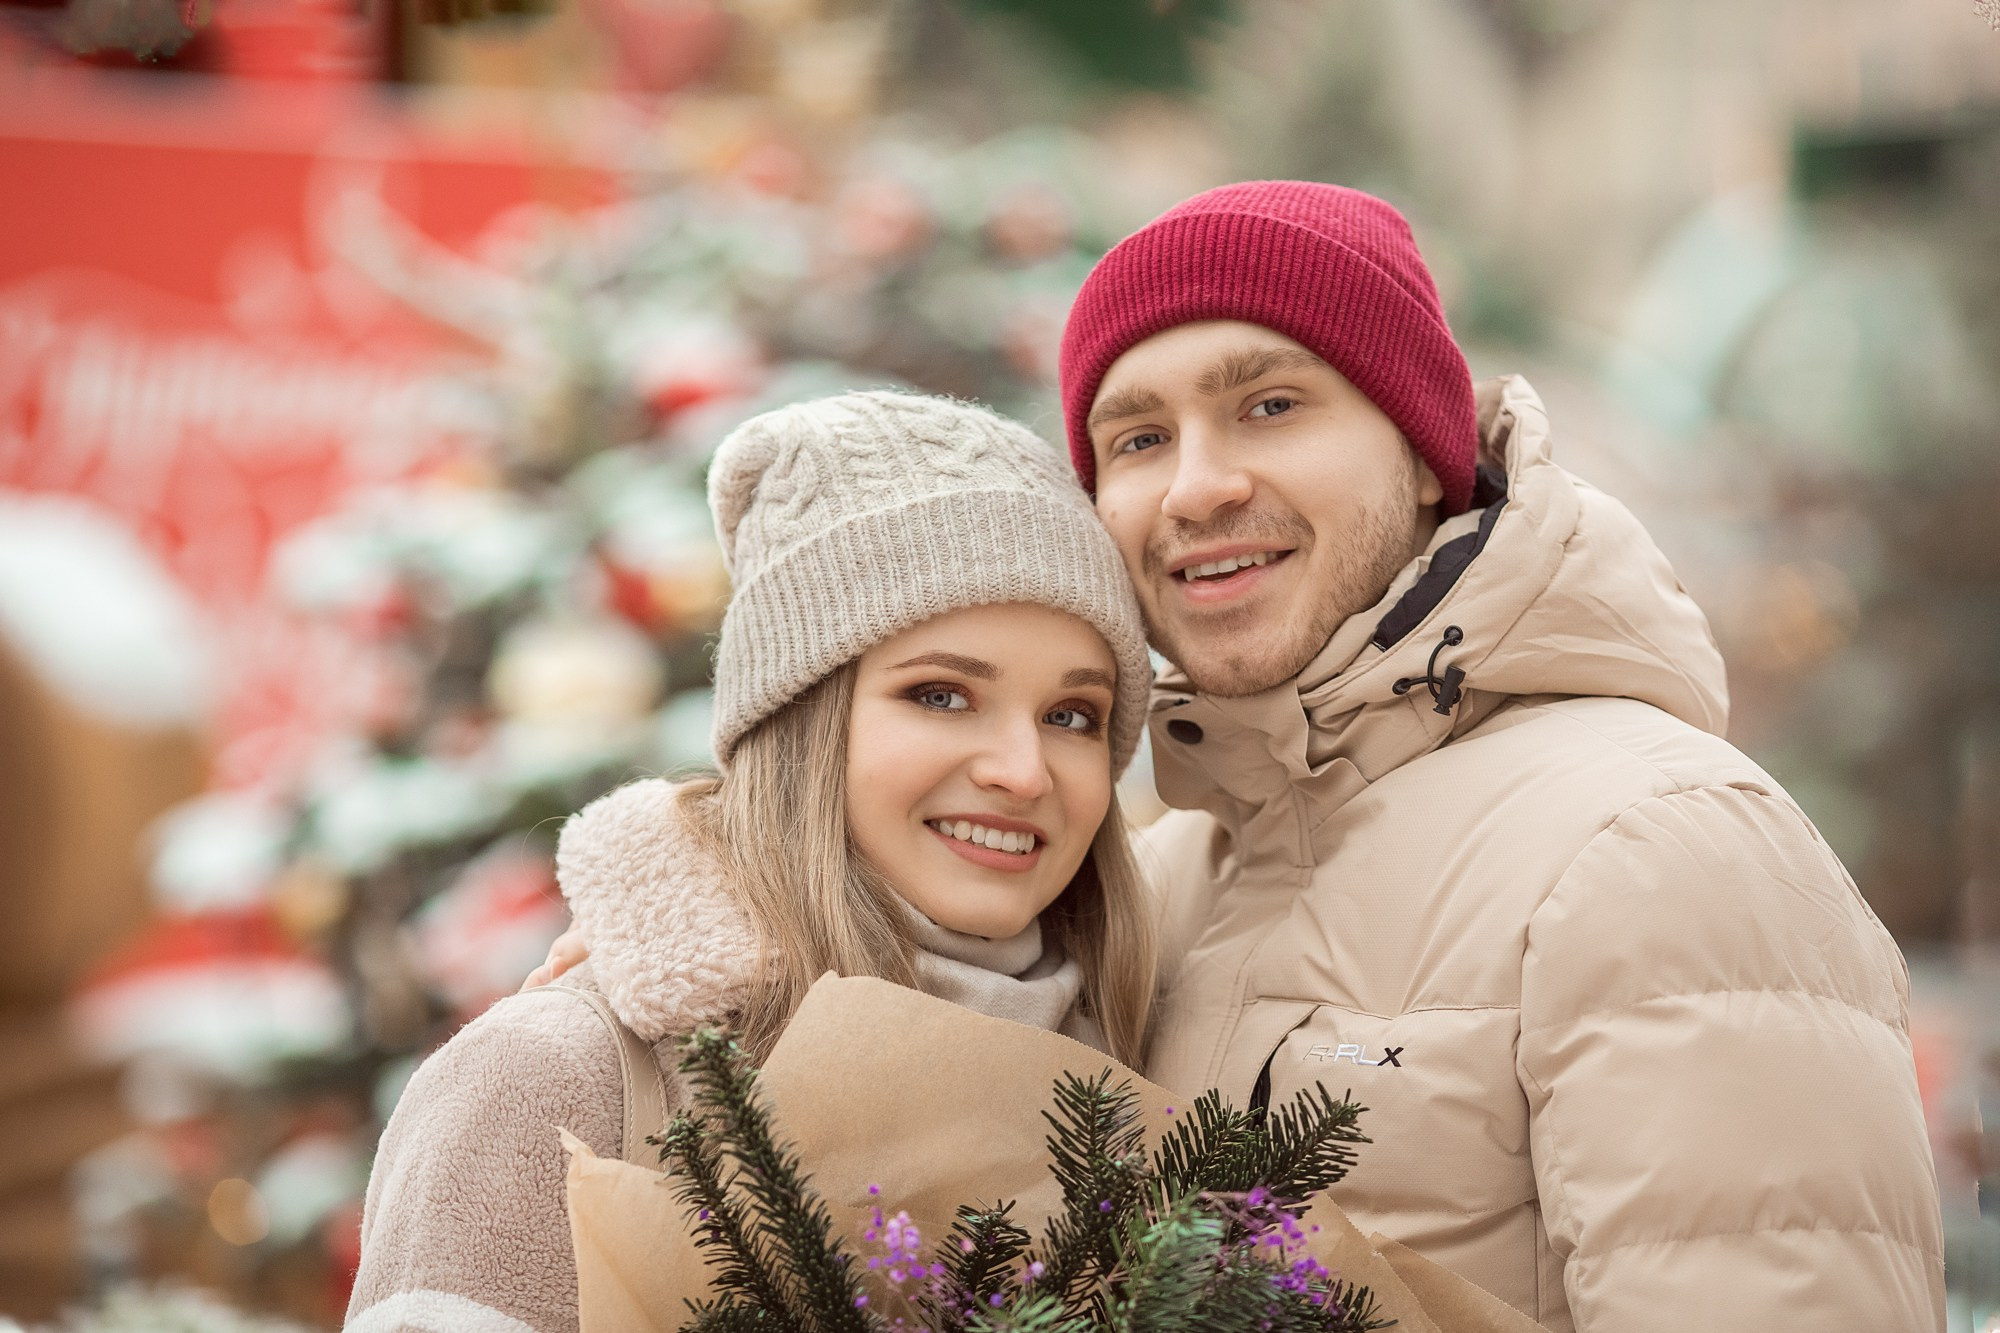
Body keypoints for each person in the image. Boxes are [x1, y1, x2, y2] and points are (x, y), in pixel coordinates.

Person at [533, 183, 1949, 1329]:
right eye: (1137, 436)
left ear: (1422, 449)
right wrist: (676, 933)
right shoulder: (1160, 872)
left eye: (1271, 404)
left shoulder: (1659, 845)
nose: (1200, 484)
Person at [345, 391, 1157, 1333]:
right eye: (940, 694)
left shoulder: (1135, 1079)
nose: (1022, 771)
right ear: (799, 720)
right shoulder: (558, 1081)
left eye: (1072, 716)